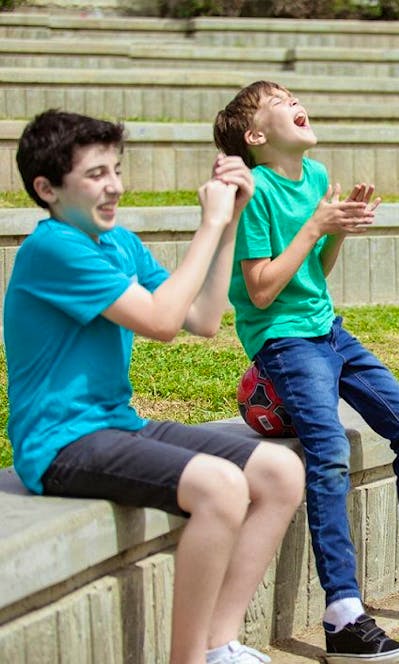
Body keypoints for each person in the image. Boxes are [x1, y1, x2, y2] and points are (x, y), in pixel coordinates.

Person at [213, 81, 399, 663]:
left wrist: (336, 234)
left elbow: (314, 275)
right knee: (328, 452)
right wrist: (318, 228)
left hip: (330, 331)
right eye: (283, 102)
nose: (299, 103)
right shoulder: (256, 192)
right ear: (256, 136)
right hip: (284, 341)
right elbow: (262, 288)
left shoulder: (317, 176)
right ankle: (342, 613)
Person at [4, 109, 304, 664]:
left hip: (117, 425)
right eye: (95, 174)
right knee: (219, 487)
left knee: (280, 471)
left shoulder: (117, 243)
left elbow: (202, 318)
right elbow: (162, 323)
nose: (114, 185)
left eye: (115, 169)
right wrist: (207, 225)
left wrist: (231, 219)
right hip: (59, 444)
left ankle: (219, 643)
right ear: (47, 188)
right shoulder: (52, 248)